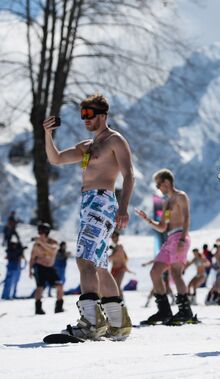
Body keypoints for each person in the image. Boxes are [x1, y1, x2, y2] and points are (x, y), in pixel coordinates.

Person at [43, 93, 133, 340]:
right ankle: (118, 324)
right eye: (83, 115)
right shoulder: (88, 146)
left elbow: (129, 174)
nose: (85, 119)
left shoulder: (115, 141)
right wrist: (48, 134)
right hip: (88, 203)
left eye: (89, 114)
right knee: (100, 266)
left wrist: (123, 208)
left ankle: (91, 322)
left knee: (84, 261)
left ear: (103, 115)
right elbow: (57, 158)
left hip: (102, 201)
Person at [135, 169, 193, 325]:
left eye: (158, 184)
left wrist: (182, 238)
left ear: (166, 182)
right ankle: (164, 311)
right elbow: (162, 227)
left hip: (180, 236)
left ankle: (185, 311)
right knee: (155, 272)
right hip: (170, 239)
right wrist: (147, 220)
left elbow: (187, 217)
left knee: (176, 273)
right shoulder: (167, 203)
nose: (158, 187)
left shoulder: (181, 197)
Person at [29, 223, 63, 314]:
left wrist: (41, 242)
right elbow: (32, 257)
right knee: (40, 287)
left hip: (50, 267)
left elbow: (52, 250)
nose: (40, 234)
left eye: (41, 232)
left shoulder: (52, 242)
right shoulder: (37, 244)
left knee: (59, 286)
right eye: (39, 232)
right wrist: (30, 270)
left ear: (46, 232)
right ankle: (38, 308)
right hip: (39, 267)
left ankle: (59, 307)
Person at [109, 231, 133, 298]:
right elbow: (126, 257)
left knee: (117, 286)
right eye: (112, 237)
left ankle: (121, 302)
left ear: (117, 237)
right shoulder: (115, 246)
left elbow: (115, 257)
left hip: (120, 269)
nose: (112, 238)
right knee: (114, 286)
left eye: (114, 237)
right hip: (115, 268)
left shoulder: (119, 246)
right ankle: (119, 302)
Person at [2, 235, 26, 299]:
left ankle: (12, 295)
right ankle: (6, 295)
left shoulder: (17, 250)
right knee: (8, 282)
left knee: (15, 282)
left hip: (16, 267)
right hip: (12, 267)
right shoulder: (10, 250)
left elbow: (22, 257)